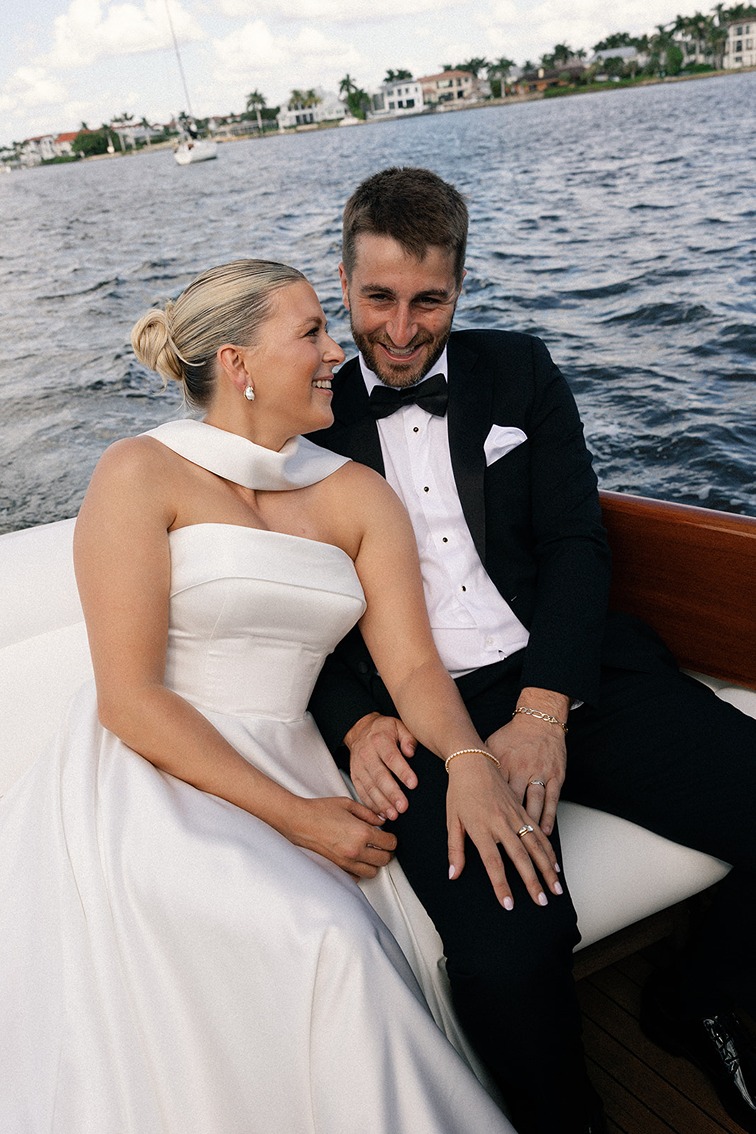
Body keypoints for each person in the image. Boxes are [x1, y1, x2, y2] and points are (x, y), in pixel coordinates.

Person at [0, 259, 527, 1133]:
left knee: (353, 937)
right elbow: (128, 699)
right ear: (240, 363)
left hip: (297, 753)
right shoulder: (140, 473)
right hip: (152, 776)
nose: (336, 351)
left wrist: (470, 760)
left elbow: (415, 672)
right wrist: (296, 816)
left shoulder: (357, 494)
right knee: (328, 940)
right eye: (312, 333)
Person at [308, 166, 756, 1134]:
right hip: (427, 718)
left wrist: (547, 705)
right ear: (341, 285)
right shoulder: (304, 422)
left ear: (461, 287)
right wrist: (354, 720)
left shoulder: (520, 368)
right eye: (377, 297)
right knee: (511, 953)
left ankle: (697, 999)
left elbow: (576, 545)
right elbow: (288, 611)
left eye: (428, 300)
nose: (399, 327)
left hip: (568, 669)